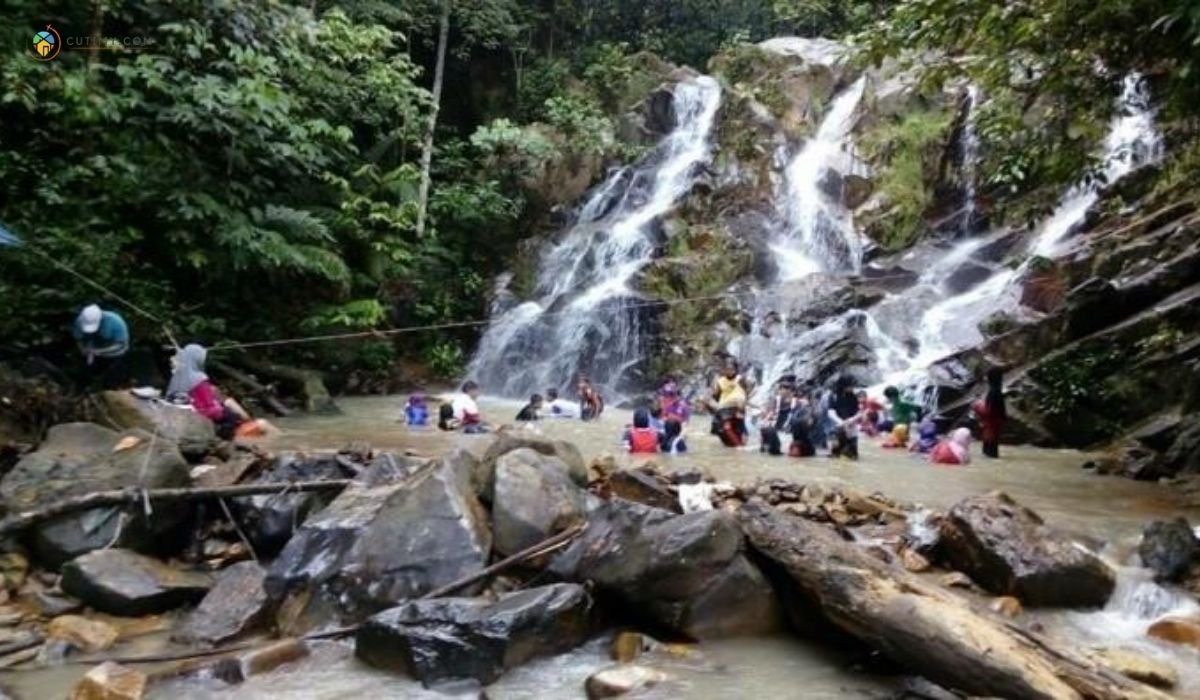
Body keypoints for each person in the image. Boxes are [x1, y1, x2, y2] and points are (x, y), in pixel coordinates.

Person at [166, 344, 267, 440]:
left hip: (187, 417)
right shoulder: (198, 378)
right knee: (261, 424)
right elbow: (212, 410)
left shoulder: (176, 379)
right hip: (211, 421)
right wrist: (225, 410)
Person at [73, 304, 131, 389]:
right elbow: (79, 338)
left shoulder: (116, 321)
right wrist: (82, 349)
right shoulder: (79, 321)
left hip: (115, 354)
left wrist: (100, 351)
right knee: (84, 374)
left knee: (111, 380)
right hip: (92, 352)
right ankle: (81, 390)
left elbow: (121, 344)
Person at [709, 361, 750, 447]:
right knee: (725, 427)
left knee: (740, 423)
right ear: (724, 370)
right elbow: (716, 395)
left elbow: (746, 391)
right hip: (725, 406)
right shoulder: (721, 381)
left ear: (735, 370)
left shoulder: (740, 378)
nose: (729, 371)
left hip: (738, 405)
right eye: (727, 369)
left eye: (732, 369)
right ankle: (736, 444)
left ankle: (742, 440)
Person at [974, 367, 1007, 458]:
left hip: (990, 423)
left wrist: (977, 407)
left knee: (989, 449)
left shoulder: (993, 391)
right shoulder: (997, 390)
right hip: (995, 423)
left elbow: (989, 410)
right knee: (992, 447)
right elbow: (1001, 410)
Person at [760, 383, 798, 456]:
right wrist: (767, 414)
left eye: (786, 390)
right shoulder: (775, 399)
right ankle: (766, 446)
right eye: (781, 390)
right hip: (773, 425)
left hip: (787, 426)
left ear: (791, 392)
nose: (782, 392)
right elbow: (769, 411)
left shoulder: (795, 402)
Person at [828, 379, 861, 460]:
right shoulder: (833, 396)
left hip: (851, 428)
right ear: (844, 386)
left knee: (853, 456)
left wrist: (851, 420)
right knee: (836, 455)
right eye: (851, 386)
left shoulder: (853, 396)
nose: (853, 387)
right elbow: (830, 412)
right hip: (838, 427)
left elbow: (859, 411)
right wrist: (841, 422)